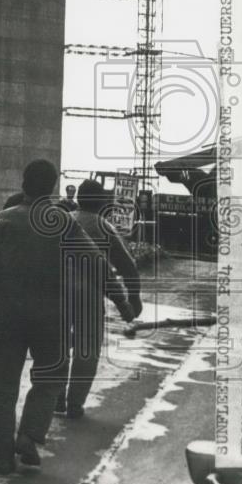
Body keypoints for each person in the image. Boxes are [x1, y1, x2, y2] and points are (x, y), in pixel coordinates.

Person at [0, 160, 135, 475]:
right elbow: (96, 264)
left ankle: (1, 456)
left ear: (23, 181)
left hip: (8, 315)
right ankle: (29, 434)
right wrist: (121, 300)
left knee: (1, 386)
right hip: (51, 316)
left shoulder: (3, 222)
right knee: (49, 380)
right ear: (53, 187)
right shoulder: (63, 223)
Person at [55, 178, 144, 419]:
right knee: (87, 350)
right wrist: (132, 298)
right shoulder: (104, 227)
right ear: (102, 202)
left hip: (57, 294)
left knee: (58, 348)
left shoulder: (62, 221)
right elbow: (128, 266)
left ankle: (56, 399)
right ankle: (74, 404)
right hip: (90, 295)